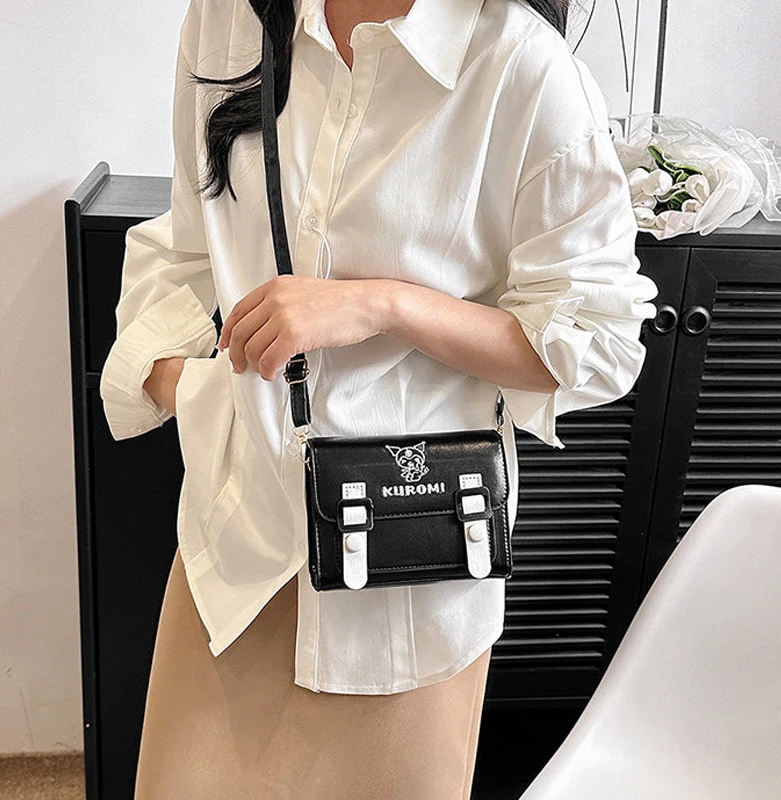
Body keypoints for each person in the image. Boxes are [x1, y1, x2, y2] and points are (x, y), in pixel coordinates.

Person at [99, 0, 660, 796]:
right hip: (239, 539)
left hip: (411, 570)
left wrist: (384, 305)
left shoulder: (521, 66)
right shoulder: (229, 18)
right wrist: (177, 380)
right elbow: (190, 238)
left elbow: (599, 343)